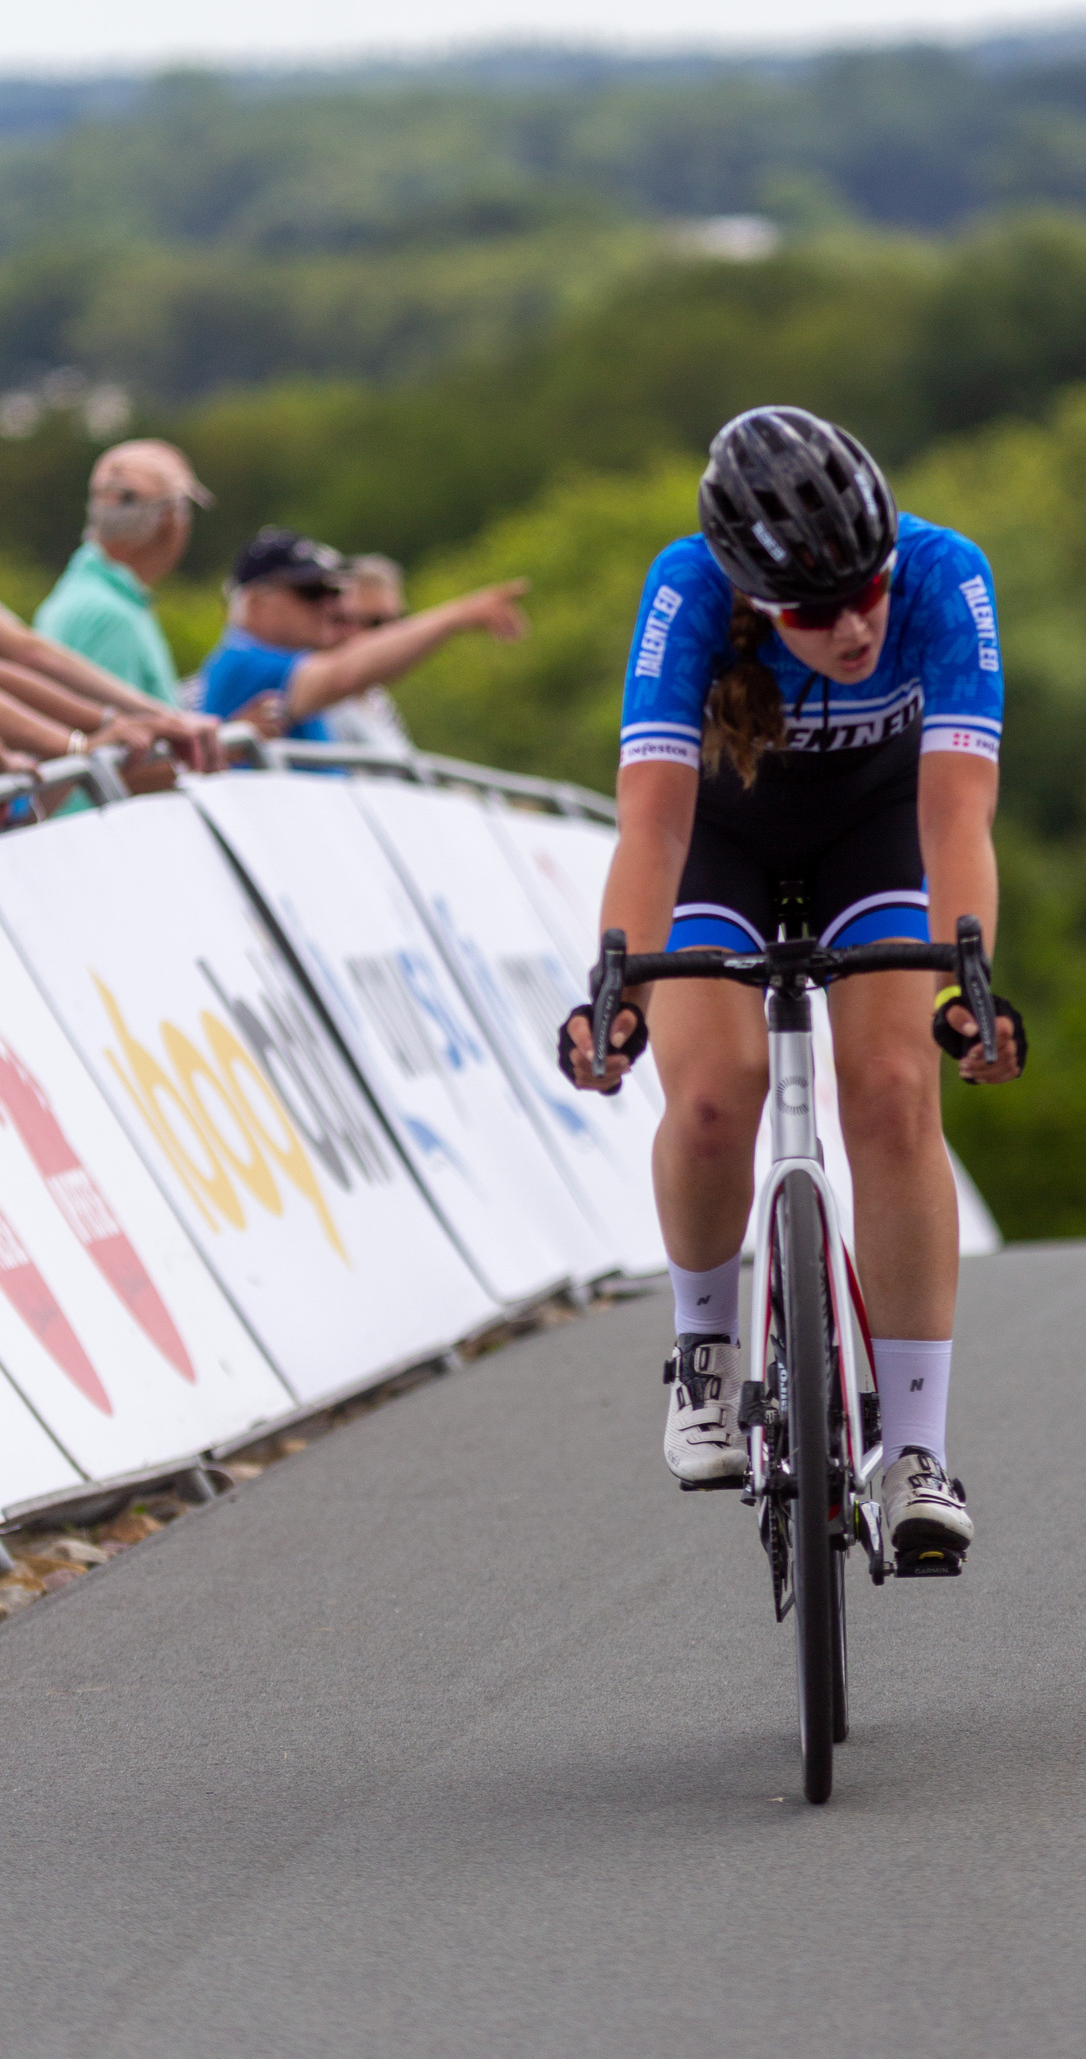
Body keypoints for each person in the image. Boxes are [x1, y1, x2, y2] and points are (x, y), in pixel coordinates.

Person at [557, 406, 1025, 1566]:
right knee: (716, 1091)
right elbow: (653, 831)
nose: (859, 623)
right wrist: (612, 989)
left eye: (867, 587)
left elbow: (957, 813)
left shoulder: (942, 574)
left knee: (894, 1093)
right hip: (724, 838)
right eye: (818, 613)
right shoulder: (687, 590)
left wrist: (969, 974)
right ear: (757, 600)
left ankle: (914, 1451)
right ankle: (706, 1349)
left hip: (877, 836)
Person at [0, 498, 217, 773]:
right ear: (169, 522)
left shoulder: (102, 599)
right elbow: (17, 657)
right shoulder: (103, 612)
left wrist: (106, 727)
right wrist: (80, 744)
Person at [198, 528, 529, 742]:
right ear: (256, 601)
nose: (331, 606)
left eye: (334, 592)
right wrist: (456, 616)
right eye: (312, 593)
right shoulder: (244, 663)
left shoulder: (281, 664)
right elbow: (345, 675)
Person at [35, 439, 213, 706]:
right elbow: (128, 739)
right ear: (169, 521)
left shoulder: (92, 595)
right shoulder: (110, 616)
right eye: (185, 511)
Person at [320, 556, 415, 757]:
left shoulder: (375, 696)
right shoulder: (320, 695)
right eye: (376, 623)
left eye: (398, 621)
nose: (394, 635)